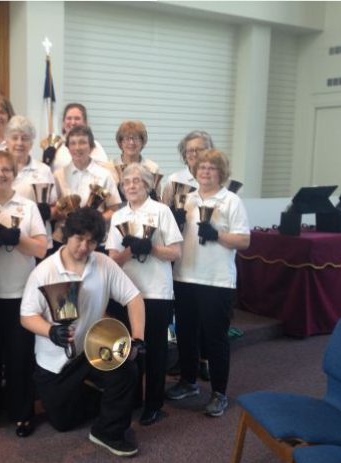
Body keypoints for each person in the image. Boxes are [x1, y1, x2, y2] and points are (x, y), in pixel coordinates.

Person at [20, 207, 146, 457]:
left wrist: (138, 338)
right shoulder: (44, 272)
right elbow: (27, 316)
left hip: (92, 349)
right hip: (55, 363)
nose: (84, 246)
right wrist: (51, 331)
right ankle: (96, 396)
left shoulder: (103, 264)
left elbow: (134, 298)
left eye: (91, 241)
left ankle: (107, 432)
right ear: (67, 235)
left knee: (127, 369)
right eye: (79, 238)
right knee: (63, 423)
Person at [165, 149, 250, 417]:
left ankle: (219, 392)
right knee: (187, 334)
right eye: (201, 167)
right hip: (185, 276)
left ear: (221, 172)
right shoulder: (186, 200)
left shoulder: (231, 201)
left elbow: (244, 241)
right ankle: (189, 382)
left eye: (211, 167)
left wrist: (217, 234)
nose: (205, 171)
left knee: (215, 338)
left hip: (217, 281)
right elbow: (174, 238)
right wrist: (175, 223)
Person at [0, 150, 48, 437]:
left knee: (20, 357)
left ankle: (22, 412)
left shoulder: (27, 207)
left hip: (21, 293)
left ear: (14, 174)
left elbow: (41, 249)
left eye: (6, 169)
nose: (0, 174)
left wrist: (17, 239)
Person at [106, 163, 183, 426]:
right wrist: (130, 250)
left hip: (156, 291)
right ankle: (134, 398)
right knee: (130, 347)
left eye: (137, 181)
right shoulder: (118, 216)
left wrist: (150, 248)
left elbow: (175, 252)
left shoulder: (161, 211)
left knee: (156, 350)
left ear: (148, 184)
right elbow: (113, 259)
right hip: (126, 293)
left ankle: (154, 403)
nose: (131, 185)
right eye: (127, 182)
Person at [161, 130, 214, 380]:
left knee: (206, 317)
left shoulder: (218, 178)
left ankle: (204, 360)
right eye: (190, 151)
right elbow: (163, 216)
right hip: (184, 258)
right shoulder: (174, 180)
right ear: (184, 155)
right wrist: (174, 217)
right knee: (184, 316)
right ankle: (186, 363)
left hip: (210, 259)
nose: (194, 155)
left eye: (200, 149)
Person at [52, 125, 121, 246]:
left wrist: (95, 221)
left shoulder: (104, 175)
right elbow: (53, 207)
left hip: (94, 239)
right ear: (68, 148)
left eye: (82, 142)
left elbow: (113, 208)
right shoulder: (58, 175)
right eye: (73, 143)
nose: (77, 147)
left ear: (91, 147)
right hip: (64, 239)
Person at [5, 115, 58, 249]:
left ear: (32, 143)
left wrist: (48, 213)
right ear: (7, 140)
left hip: (37, 239)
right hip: (7, 236)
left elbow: (55, 206)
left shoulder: (43, 170)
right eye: (15, 137)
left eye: (25, 138)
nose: (19, 143)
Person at [49, 103, 109, 171]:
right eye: (69, 118)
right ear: (63, 122)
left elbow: (103, 172)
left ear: (85, 122)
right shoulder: (55, 146)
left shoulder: (93, 145)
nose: (73, 122)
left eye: (77, 118)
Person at [111, 121, 161, 197]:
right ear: (120, 142)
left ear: (142, 142)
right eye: (127, 138)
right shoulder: (110, 167)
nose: (131, 142)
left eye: (136, 138)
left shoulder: (152, 168)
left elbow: (156, 197)